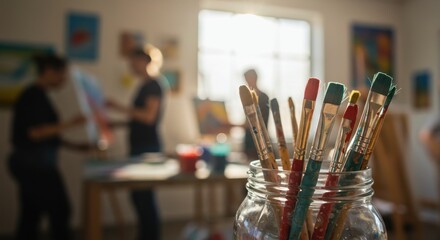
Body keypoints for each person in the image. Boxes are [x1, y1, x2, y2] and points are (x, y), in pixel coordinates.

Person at [8, 54, 90, 240]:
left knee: (31, 214)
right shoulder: (32, 96)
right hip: (34, 165)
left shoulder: (39, 95)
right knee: (60, 211)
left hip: (35, 163)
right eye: (61, 75)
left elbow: (48, 135)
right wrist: (71, 123)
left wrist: (76, 146)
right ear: (49, 72)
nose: (63, 80)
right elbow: (35, 133)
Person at [107, 48, 163, 240]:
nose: (130, 66)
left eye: (133, 61)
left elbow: (148, 117)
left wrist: (118, 108)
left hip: (147, 148)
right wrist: (118, 123)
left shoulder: (153, 85)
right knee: (138, 197)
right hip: (140, 146)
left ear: (143, 61)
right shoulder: (143, 86)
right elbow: (139, 118)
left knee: (144, 198)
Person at [242, 69, 269, 160]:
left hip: (261, 142)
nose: (247, 81)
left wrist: (227, 124)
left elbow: (256, 124)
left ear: (255, 78)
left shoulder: (263, 98)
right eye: (246, 79)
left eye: (249, 78)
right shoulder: (247, 99)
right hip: (249, 143)